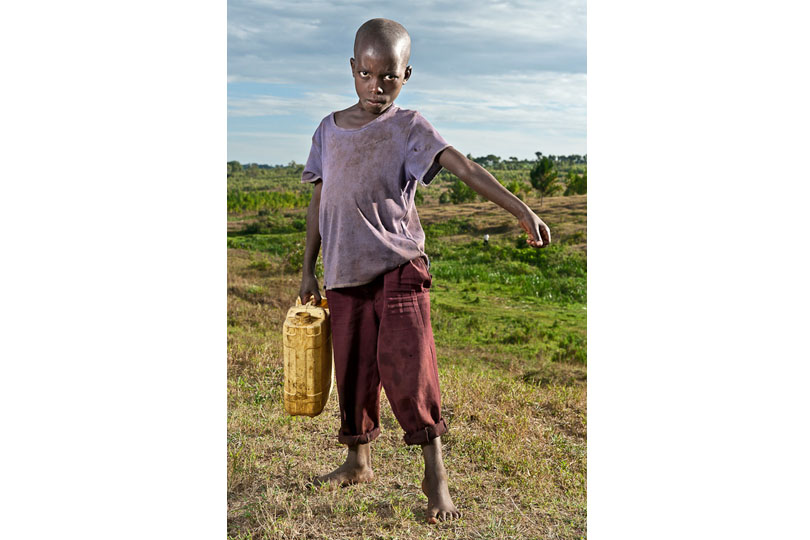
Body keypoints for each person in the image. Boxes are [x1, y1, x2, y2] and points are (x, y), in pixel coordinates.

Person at [298, 18, 550, 524]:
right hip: (344, 273)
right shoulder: (329, 128)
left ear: (406, 74)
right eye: (367, 75)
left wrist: (520, 208)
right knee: (352, 372)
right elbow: (319, 198)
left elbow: (463, 166)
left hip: (398, 267)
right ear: (352, 69)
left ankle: (435, 475)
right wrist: (308, 268)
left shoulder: (408, 126)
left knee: (412, 371)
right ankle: (357, 460)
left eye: (389, 76)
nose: (377, 87)